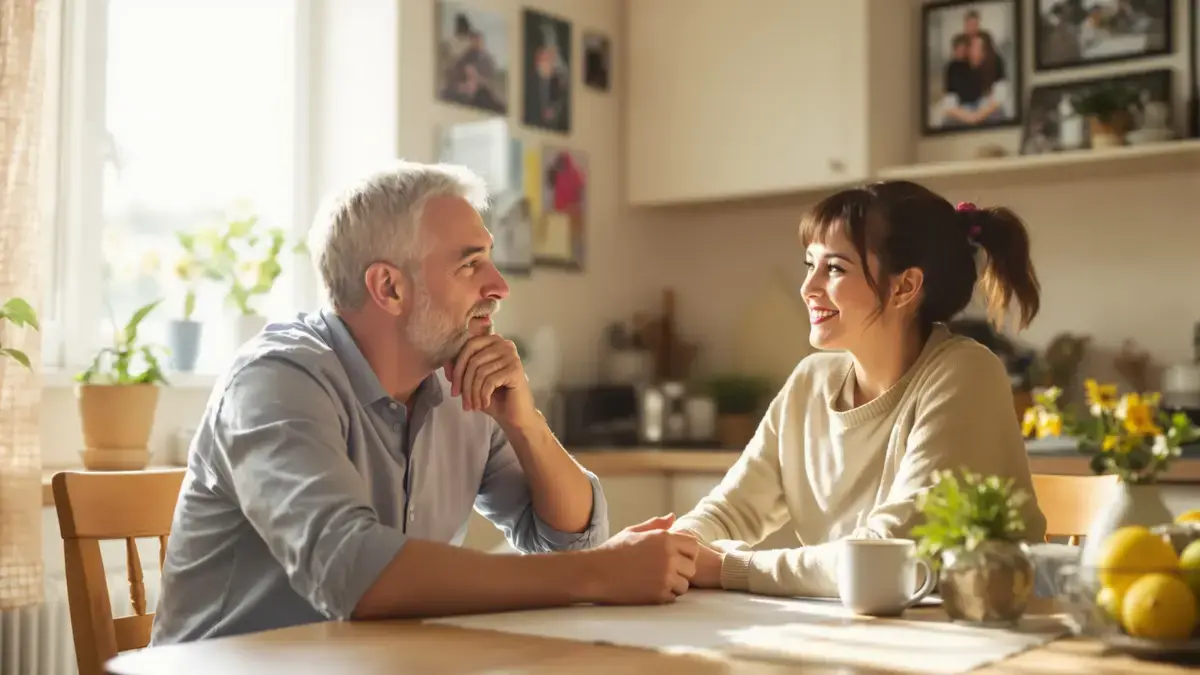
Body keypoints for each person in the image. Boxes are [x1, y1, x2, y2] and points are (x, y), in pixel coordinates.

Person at [150, 161, 699, 644]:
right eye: (470, 264)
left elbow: (569, 539)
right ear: (389, 288)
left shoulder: (459, 385)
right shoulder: (275, 381)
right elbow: (353, 573)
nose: (499, 285)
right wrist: (599, 575)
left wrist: (526, 424)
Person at [669, 180, 1048, 598]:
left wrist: (729, 567)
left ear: (905, 286)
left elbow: (887, 556)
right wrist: (676, 548)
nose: (808, 288)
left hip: (973, 634)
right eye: (809, 264)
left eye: (834, 269)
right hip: (859, 630)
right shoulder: (810, 382)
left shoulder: (965, 373)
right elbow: (730, 509)